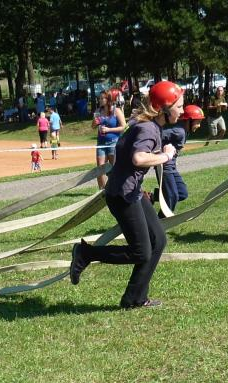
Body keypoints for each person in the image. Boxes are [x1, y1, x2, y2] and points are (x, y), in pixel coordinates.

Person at [69, 80, 182, 309]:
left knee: (158, 241)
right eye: (178, 105)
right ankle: (86, 253)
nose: (181, 110)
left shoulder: (146, 124)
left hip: (133, 192)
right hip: (122, 196)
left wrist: (161, 151)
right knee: (141, 251)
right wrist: (166, 156)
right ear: (164, 108)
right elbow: (138, 158)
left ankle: (135, 298)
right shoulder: (148, 128)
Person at [159, 104, 204, 215]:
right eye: (197, 122)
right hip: (165, 166)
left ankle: (150, 196)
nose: (199, 126)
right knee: (172, 197)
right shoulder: (179, 131)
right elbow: (157, 135)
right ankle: (158, 224)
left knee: (182, 193)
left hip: (172, 166)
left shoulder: (183, 130)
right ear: (188, 120)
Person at [93, 90, 126, 189]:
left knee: (115, 167)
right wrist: (94, 123)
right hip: (101, 143)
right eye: (100, 98)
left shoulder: (116, 110)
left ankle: (118, 187)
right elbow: (93, 126)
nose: (100, 100)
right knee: (100, 168)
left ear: (108, 99)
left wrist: (109, 129)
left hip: (113, 143)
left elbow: (124, 126)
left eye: (102, 98)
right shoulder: (98, 111)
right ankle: (101, 191)